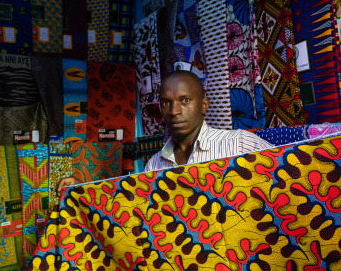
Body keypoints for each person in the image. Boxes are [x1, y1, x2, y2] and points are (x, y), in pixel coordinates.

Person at [56, 70, 273, 196]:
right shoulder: (155, 165)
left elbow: (285, 185)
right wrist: (82, 190)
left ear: (204, 105)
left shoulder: (240, 145)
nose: (174, 111)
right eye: (166, 103)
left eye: (185, 100)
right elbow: (133, 205)